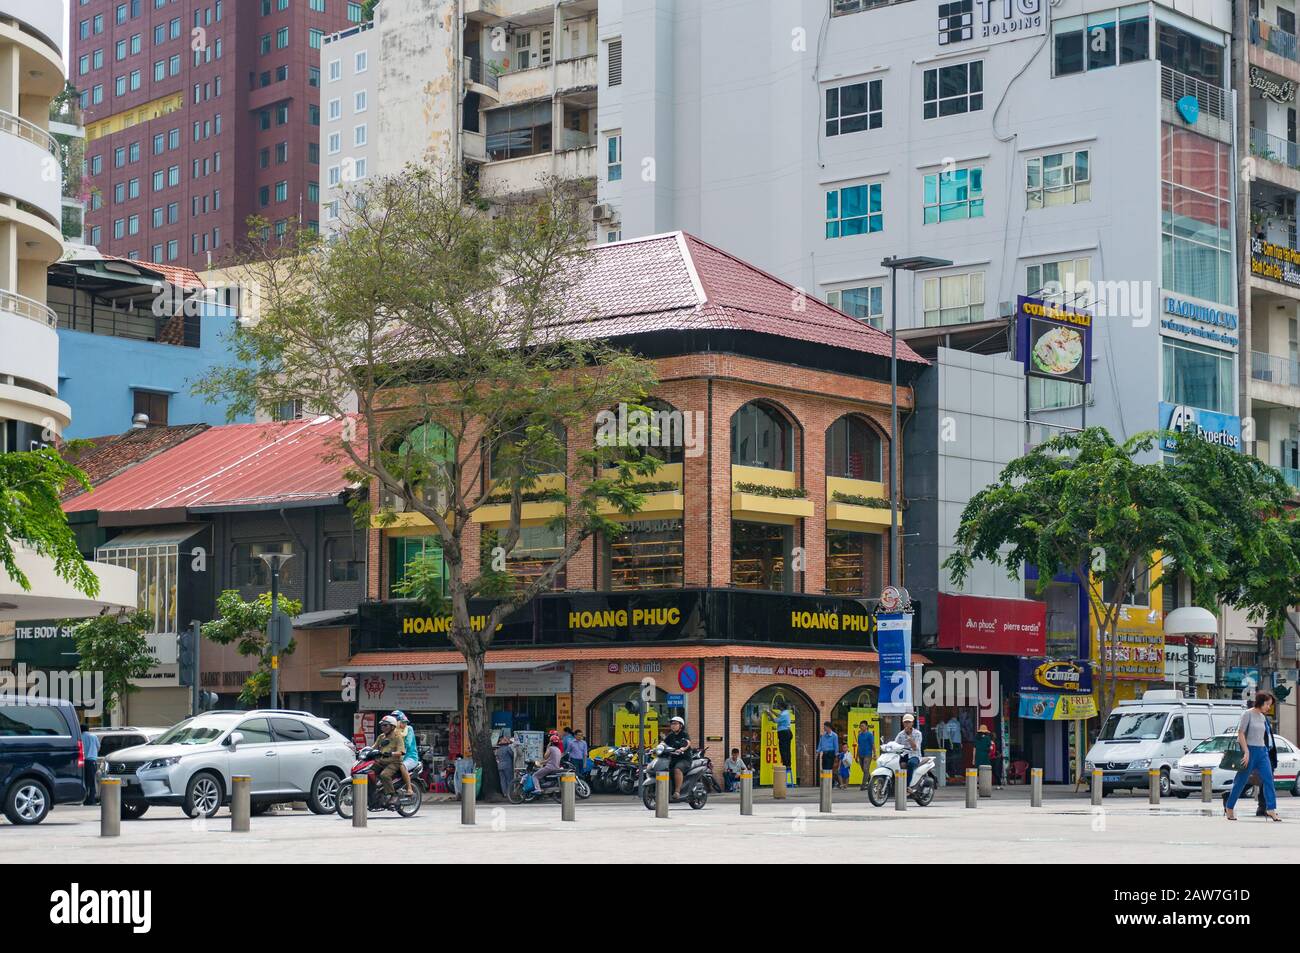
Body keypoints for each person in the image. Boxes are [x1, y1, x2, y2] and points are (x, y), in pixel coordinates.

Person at [1225, 691, 1281, 821]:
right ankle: (1229, 807)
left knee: (1268, 779)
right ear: (1260, 702)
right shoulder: (1247, 714)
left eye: (1270, 705)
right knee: (1241, 781)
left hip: (1262, 752)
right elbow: (1241, 734)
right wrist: (1246, 751)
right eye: (1267, 704)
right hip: (1249, 751)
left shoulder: (1263, 717)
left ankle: (1271, 809)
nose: (1269, 707)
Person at [373, 716, 405, 802]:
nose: (383, 727)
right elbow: (374, 747)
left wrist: (391, 753)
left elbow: (401, 752)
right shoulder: (381, 737)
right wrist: (362, 751)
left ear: (392, 726)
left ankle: (393, 794)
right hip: (381, 761)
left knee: (384, 775)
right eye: (382, 725)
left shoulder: (397, 737)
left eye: (385, 725)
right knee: (367, 770)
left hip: (394, 762)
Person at [662, 715, 692, 798]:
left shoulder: (684, 734)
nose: (673, 725)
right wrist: (657, 748)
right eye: (672, 724)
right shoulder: (670, 735)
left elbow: (687, 743)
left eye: (675, 724)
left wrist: (682, 749)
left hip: (684, 759)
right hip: (673, 759)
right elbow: (663, 743)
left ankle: (677, 792)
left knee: (677, 769)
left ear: (681, 725)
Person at [392, 709, 418, 796]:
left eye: (404, 722)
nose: (404, 724)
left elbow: (408, 744)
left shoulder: (409, 729)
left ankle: (409, 788)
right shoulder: (392, 732)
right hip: (396, 757)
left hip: (411, 758)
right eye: (402, 722)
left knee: (402, 766)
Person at [895, 714, 923, 791]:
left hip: (914, 755)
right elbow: (895, 744)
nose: (907, 724)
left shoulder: (917, 733)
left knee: (910, 763)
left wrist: (909, 738)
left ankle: (907, 786)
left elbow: (915, 747)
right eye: (905, 722)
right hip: (904, 754)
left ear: (912, 723)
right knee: (897, 764)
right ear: (903, 723)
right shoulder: (900, 734)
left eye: (909, 722)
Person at [768, 701, 794, 773]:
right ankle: (788, 764)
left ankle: (786, 764)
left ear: (781, 707)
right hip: (787, 732)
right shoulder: (785, 713)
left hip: (784, 733)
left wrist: (769, 713)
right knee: (787, 749)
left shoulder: (784, 714)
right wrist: (772, 711)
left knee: (783, 749)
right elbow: (779, 715)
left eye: (779, 706)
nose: (778, 707)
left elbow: (775, 720)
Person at [975, 724, 998, 790]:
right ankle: (985, 784)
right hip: (985, 757)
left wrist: (973, 759)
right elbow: (990, 748)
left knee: (978, 770)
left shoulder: (977, 738)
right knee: (985, 770)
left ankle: (977, 783)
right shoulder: (987, 739)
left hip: (978, 756)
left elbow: (974, 749)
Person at [81, 725, 99, 806]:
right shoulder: (94, 736)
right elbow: (98, 747)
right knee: (92, 782)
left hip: (83, 761)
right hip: (92, 761)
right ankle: (91, 800)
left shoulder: (80, 737)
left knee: (85, 781)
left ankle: (84, 799)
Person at [856, 720, 875, 791]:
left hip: (868, 754)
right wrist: (857, 755)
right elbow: (859, 745)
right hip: (861, 754)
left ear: (866, 726)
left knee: (866, 769)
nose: (861, 727)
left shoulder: (870, 734)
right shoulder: (859, 735)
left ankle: (863, 785)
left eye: (862, 726)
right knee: (864, 770)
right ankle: (871, 783)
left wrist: (875, 754)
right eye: (860, 726)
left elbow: (872, 744)